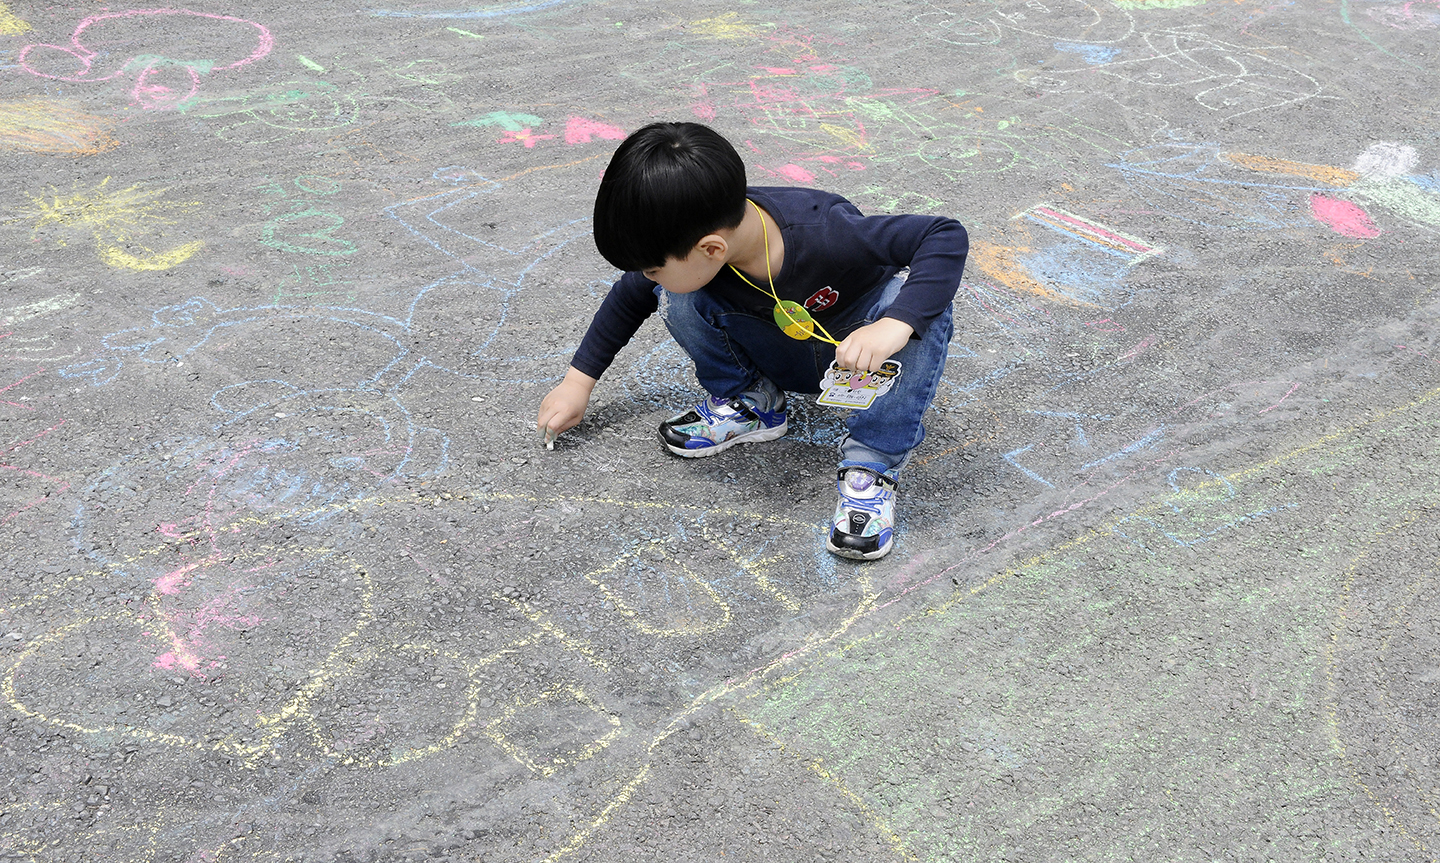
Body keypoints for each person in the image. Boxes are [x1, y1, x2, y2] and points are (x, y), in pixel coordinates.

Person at [536, 122, 968, 560]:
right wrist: (577, 383)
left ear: (711, 249)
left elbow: (943, 235)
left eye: (652, 266)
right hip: (782, 344)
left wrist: (894, 324)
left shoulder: (824, 230)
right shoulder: (699, 224)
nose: (644, 274)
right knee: (673, 294)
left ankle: (871, 463)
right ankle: (753, 403)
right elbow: (629, 296)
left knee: (918, 312)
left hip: (860, 359)